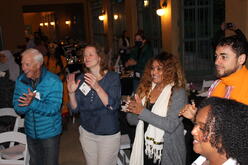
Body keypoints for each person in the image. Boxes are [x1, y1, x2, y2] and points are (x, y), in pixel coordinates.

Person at [126, 52, 187, 165]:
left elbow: (170, 125)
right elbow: (131, 120)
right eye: (153, 68)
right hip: (145, 146)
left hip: (167, 150)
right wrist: (133, 109)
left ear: (169, 70)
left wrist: (141, 111)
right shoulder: (146, 88)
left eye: (159, 69)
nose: (154, 72)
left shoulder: (178, 92)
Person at [67, 44, 121, 165]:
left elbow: (113, 106)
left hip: (107, 135)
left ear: (100, 57)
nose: (87, 57)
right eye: (85, 55)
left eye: (90, 54)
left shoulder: (112, 77)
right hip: (87, 133)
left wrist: (97, 87)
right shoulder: (82, 79)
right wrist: (71, 93)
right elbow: (75, 110)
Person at [12, 48, 63, 165]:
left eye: (27, 64)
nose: (23, 68)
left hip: (49, 133)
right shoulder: (21, 80)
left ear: (38, 64)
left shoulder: (53, 81)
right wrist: (26, 105)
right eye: (22, 64)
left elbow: (53, 109)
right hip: (30, 132)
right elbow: (17, 107)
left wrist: (33, 103)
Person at [180, 35, 248, 120]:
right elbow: (211, 126)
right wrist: (195, 117)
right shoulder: (217, 84)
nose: (216, 62)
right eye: (216, 56)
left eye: (224, 57)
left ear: (241, 59)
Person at [191, 97, 248, 165]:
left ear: (226, 136)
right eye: (195, 124)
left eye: (203, 128)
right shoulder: (203, 160)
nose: (193, 131)